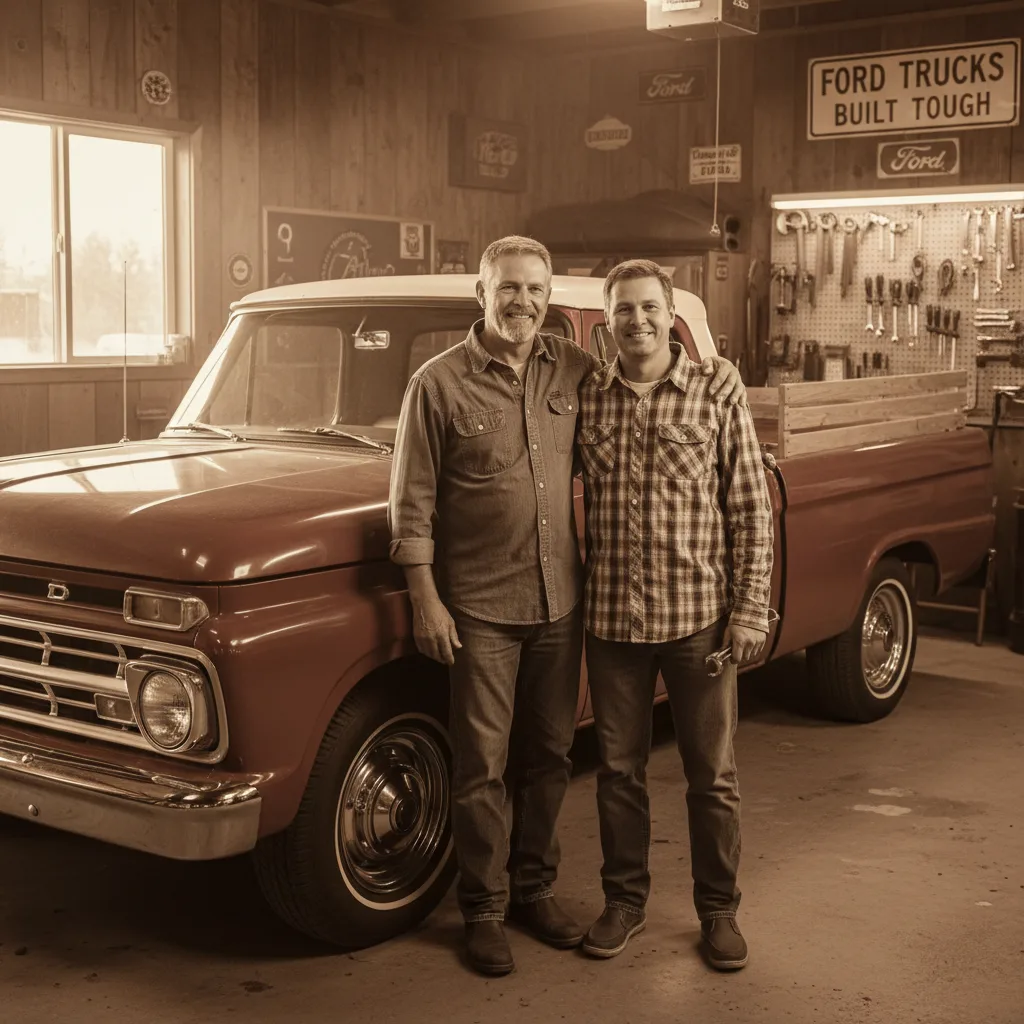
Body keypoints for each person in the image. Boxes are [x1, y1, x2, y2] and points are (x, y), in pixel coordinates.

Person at [387, 236, 745, 976]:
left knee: (551, 756)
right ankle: (484, 910)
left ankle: (535, 891)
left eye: (535, 290)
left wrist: (751, 606)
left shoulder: (578, 369)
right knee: (484, 765)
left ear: (551, 298)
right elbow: (411, 504)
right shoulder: (438, 384)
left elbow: (724, 477)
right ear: (481, 294)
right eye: (509, 288)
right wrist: (425, 597)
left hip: (567, 604)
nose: (522, 302)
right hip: (483, 604)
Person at [576, 259, 773, 972]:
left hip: (700, 622)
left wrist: (751, 611)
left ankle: (718, 911)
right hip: (611, 625)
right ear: (606, 323)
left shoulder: (717, 392)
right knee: (617, 773)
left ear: (671, 315)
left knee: (711, 776)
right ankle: (624, 902)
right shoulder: (588, 397)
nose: (638, 321)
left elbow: (751, 507)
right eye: (623, 310)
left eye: (649, 307)